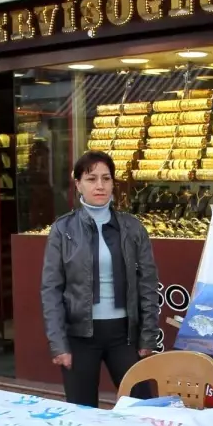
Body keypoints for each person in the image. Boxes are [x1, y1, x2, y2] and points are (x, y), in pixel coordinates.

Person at [41, 150, 159, 407]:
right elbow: (51, 289)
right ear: (78, 184)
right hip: (80, 335)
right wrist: (58, 343)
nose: (100, 185)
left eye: (106, 178)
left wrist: (148, 336)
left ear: (113, 183)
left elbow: (148, 284)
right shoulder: (63, 230)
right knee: (82, 413)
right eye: (91, 178)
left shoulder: (132, 227)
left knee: (143, 408)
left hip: (123, 335)